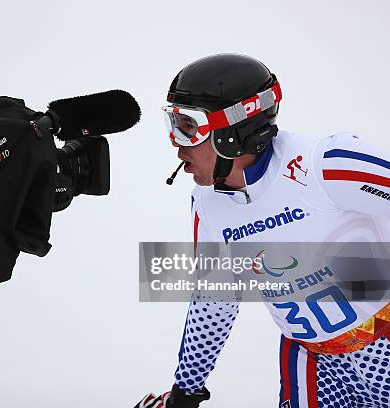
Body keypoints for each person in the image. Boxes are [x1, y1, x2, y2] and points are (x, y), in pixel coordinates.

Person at [136, 54, 390, 408]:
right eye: (173, 124)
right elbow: (215, 301)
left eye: (188, 127)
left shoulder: (326, 163)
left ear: (232, 133)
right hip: (313, 361)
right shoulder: (208, 205)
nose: (175, 143)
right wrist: (186, 391)